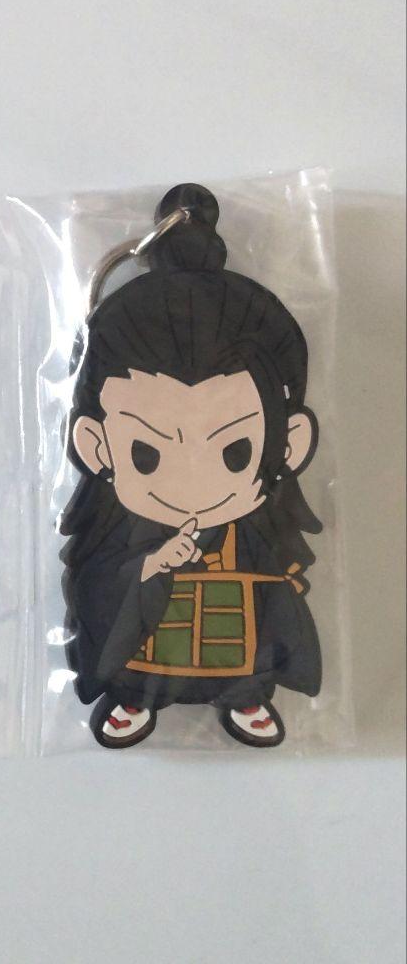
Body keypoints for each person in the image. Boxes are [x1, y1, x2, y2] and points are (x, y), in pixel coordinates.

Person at [61, 184, 322, 748]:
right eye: (147, 453)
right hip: (152, 639)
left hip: (232, 627)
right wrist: (153, 562)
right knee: (138, 647)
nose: (192, 482)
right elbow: (95, 584)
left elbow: (276, 578)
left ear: (289, 444)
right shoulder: (120, 533)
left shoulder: (255, 530)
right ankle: (134, 693)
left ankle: (245, 693)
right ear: (96, 446)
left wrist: (283, 580)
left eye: (235, 452)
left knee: (248, 639)